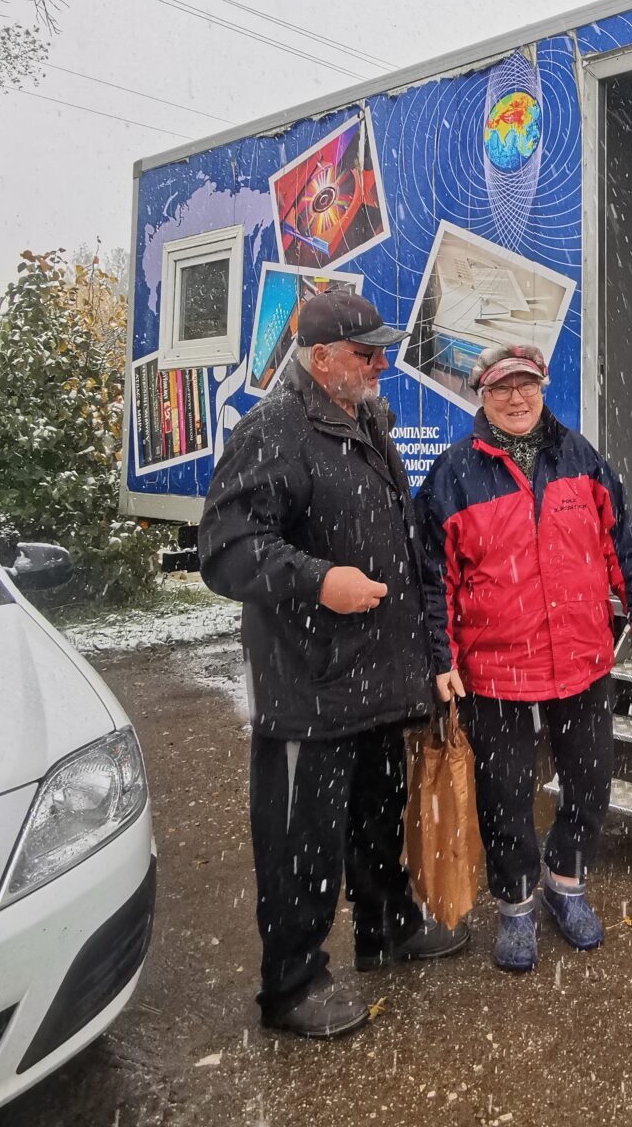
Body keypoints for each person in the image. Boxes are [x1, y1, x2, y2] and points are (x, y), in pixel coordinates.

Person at [199, 289, 468, 1041]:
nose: (381, 364)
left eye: (382, 351)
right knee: (301, 843)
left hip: (376, 679)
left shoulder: (367, 418)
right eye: (365, 353)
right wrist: (319, 581)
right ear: (321, 359)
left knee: (378, 819)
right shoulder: (272, 430)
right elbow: (226, 550)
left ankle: (387, 930)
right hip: (309, 685)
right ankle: (291, 985)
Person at [416, 343, 632, 973]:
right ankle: (517, 904)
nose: (516, 398)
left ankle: (566, 884)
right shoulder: (454, 474)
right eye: (502, 388)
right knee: (505, 795)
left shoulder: (580, 457)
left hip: (581, 660)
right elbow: (432, 578)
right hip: (497, 671)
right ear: (483, 395)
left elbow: (620, 539)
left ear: (543, 388)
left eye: (526, 385)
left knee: (590, 782)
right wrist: (441, 657)